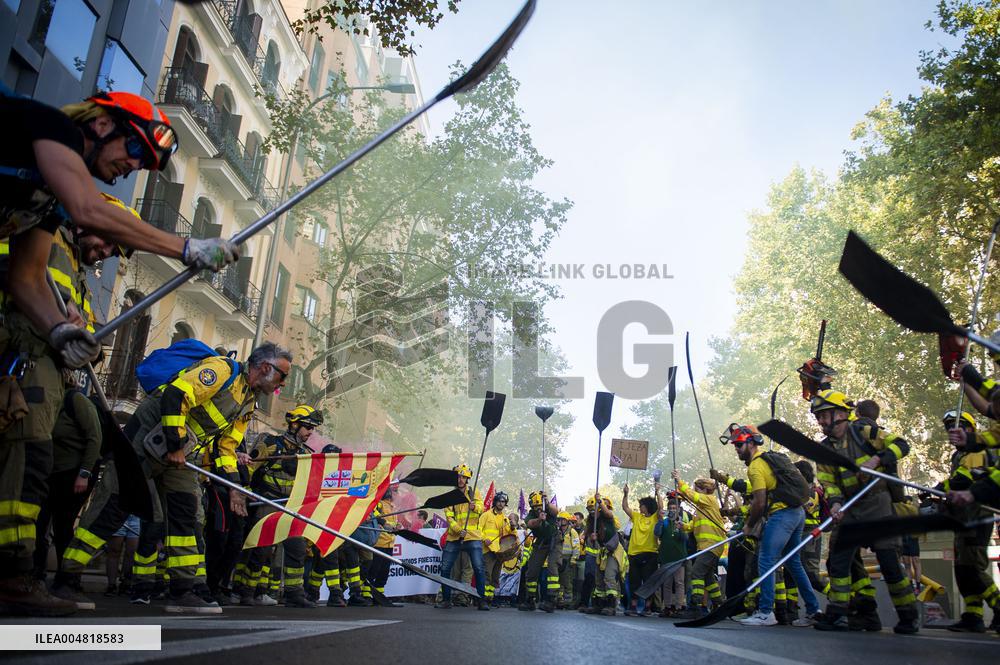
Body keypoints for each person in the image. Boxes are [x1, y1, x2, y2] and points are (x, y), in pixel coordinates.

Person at [55, 343, 290, 614]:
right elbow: (176, 395)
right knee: (114, 505)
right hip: (148, 440)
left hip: (181, 455)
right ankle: (67, 579)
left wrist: (234, 487)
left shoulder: (248, 401)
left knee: (187, 516)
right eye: (282, 377)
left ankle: (184, 590)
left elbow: (226, 447)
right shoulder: (221, 370)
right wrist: (175, 442)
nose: (281, 385)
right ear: (265, 368)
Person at [810, 389, 920, 634]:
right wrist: (836, 504)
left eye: (823, 415)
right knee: (837, 563)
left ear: (840, 413)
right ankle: (838, 613)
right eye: (818, 416)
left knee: (889, 564)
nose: (820, 421)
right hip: (850, 510)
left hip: (878, 506)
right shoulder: (823, 450)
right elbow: (829, 483)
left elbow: (902, 445)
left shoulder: (864, 433)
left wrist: (877, 459)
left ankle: (908, 616)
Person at [722, 425, 819, 627]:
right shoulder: (771, 458)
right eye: (735, 446)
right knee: (793, 563)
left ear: (750, 443)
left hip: (782, 515)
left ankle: (766, 612)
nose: (737, 449)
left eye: (739, 445)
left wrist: (748, 526)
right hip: (797, 513)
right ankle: (813, 609)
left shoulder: (756, 467)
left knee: (766, 560)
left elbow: (759, 502)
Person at [242, 404, 323, 608]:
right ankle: (248, 591)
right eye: (307, 427)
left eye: (312, 428)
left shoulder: (305, 453)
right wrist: (243, 492)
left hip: (291, 507)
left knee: (297, 548)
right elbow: (251, 468)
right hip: (267, 501)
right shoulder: (271, 443)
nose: (310, 432)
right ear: (294, 425)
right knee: (262, 549)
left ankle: (294, 593)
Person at [938, 410, 999, 633]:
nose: (953, 431)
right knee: (963, 569)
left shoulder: (976, 450)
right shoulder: (960, 455)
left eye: (959, 426)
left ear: (971, 430)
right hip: (963, 518)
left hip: (978, 518)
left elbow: (963, 479)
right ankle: (973, 615)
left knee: (974, 567)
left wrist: (939, 488)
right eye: (950, 428)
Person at [435, 463, 488, 610]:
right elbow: (449, 517)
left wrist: (475, 507)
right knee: (445, 568)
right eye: (458, 476)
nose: (460, 479)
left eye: (463, 477)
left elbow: (481, 508)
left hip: (473, 536)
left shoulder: (474, 492)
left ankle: (481, 600)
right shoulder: (450, 496)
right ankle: (446, 600)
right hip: (455, 537)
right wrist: (459, 531)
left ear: (467, 479)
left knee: (478, 568)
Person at [672, 469, 726, 616]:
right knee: (708, 578)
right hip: (707, 546)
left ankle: (695, 606)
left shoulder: (709, 499)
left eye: (697, 489)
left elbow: (692, 496)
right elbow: (694, 525)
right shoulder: (703, 508)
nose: (695, 492)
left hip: (711, 545)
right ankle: (718, 604)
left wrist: (679, 481)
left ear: (704, 490)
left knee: (696, 574)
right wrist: (684, 527)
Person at [622, 482, 662, 616]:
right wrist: (626, 494)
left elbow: (661, 507)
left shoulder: (655, 518)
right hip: (634, 554)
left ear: (648, 507)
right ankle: (633, 607)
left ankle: (647, 607)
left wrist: (658, 492)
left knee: (648, 581)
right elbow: (625, 507)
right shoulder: (637, 517)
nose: (640, 508)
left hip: (650, 554)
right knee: (634, 581)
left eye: (642, 506)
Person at [519, 491, 560, 612]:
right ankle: (530, 599)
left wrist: (546, 502)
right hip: (541, 542)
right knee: (532, 569)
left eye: (539, 506)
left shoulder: (548, 509)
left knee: (552, 569)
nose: (538, 509)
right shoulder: (531, 515)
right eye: (535, 507)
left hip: (554, 540)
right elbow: (530, 523)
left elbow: (555, 511)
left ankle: (551, 600)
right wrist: (539, 519)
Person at [583, 495, 623, 616]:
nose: (591, 512)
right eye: (589, 510)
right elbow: (589, 537)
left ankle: (611, 605)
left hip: (614, 552)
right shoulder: (592, 523)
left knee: (609, 576)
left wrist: (599, 501)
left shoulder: (607, 518)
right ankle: (598, 605)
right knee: (599, 578)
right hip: (603, 552)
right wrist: (592, 537)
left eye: (593, 509)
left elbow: (609, 514)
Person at [479, 490, 514, 606]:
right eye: (499, 501)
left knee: (495, 576)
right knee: (487, 574)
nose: (501, 503)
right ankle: (482, 599)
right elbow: (478, 529)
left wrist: (513, 527)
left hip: (500, 551)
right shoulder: (486, 515)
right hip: (488, 549)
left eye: (503, 502)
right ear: (495, 502)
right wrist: (484, 538)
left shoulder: (505, 518)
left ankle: (490, 598)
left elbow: (509, 533)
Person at [655, 497, 688, 617]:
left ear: (678, 509)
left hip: (679, 557)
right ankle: (667, 606)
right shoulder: (664, 522)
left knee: (679, 582)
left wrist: (681, 529)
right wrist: (659, 520)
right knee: (667, 583)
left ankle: (679, 606)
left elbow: (685, 539)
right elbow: (657, 533)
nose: (672, 510)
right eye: (670, 508)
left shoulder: (682, 522)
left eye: (674, 508)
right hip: (666, 557)